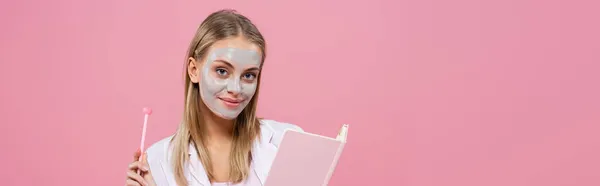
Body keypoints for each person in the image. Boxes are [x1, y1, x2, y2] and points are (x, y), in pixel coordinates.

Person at [125, 9, 302, 186]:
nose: (236, 89)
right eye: (222, 71)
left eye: (248, 75)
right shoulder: (157, 162)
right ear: (194, 70)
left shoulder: (289, 143)